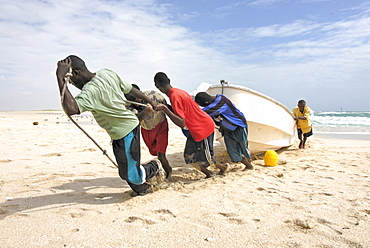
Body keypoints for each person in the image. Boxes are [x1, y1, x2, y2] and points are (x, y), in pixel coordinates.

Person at [56, 55, 163, 196]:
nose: (72, 84)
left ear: (76, 73)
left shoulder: (89, 92)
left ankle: (154, 167)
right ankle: (144, 188)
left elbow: (71, 108)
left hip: (126, 132)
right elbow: (130, 89)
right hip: (123, 131)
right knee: (126, 172)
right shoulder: (106, 73)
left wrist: (60, 78)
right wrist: (150, 101)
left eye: (71, 80)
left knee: (130, 175)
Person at [153, 72, 228, 178]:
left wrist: (165, 109)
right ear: (169, 80)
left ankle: (216, 169)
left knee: (206, 157)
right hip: (196, 128)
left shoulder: (175, 96)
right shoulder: (178, 92)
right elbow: (180, 111)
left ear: (157, 87)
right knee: (189, 157)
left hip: (203, 127)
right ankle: (214, 170)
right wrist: (167, 107)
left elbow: (181, 122)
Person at [124, 84, 173, 181]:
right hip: (146, 129)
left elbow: (167, 107)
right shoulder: (128, 106)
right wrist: (145, 112)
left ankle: (169, 173)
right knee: (153, 152)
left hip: (161, 126)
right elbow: (135, 121)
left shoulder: (154, 95)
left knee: (161, 155)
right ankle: (160, 170)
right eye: (133, 101)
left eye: (137, 99)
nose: (136, 103)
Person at [194, 92, 254, 171]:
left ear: (206, 103)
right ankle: (248, 165)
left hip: (238, 126)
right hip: (226, 129)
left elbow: (204, 112)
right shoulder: (213, 105)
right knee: (232, 150)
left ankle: (250, 162)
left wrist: (194, 112)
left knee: (243, 147)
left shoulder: (221, 101)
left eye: (203, 105)